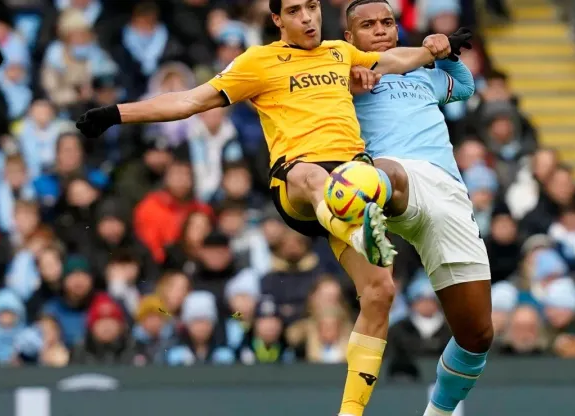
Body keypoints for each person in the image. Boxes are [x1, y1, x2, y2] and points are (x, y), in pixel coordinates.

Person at [76, 1, 452, 412]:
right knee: (316, 179)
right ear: (276, 20)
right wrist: (115, 113)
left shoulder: (339, 52)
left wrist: (435, 49)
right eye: (294, 10)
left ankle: (350, 411)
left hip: (351, 175)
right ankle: (357, 224)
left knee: (380, 292)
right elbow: (188, 101)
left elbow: (393, 58)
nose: (307, 17)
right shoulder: (258, 61)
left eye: (311, 6)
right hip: (297, 179)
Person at [345, 2, 491, 415]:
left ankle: (438, 412)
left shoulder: (421, 73)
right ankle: (364, 218)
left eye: (387, 23)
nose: (380, 30)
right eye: (367, 25)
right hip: (395, 176)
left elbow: (463, 88)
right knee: (384, 172)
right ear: (348, 38)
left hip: (447, 192)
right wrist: (347, 82)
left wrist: (447, 53)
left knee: (476, 335)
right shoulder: (341, 75)